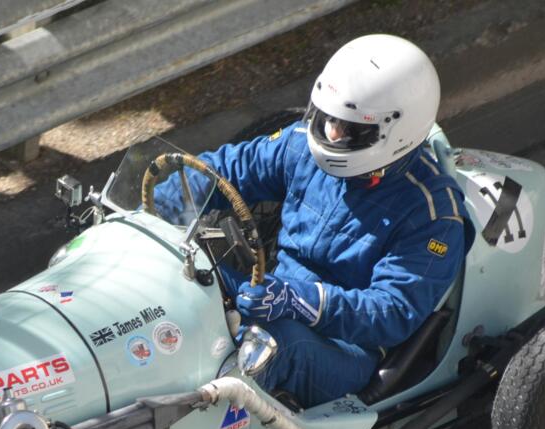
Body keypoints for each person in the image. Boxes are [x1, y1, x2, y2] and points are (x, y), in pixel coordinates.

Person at [158, 34, 474, 408]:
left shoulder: (433, 214)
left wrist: (302, 301)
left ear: (395, 131)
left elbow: (391, 313)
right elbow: (226, 169)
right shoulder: (300, 145)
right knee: (183, 274)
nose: (333, 134)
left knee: (265, 347)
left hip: (349, 349)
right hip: (274, 295)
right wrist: (156, 206)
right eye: (329, 120)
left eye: (351, 129)